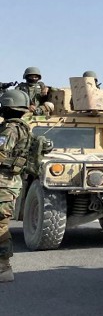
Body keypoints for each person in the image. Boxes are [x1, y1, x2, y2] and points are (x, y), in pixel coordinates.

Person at [0, 90, 34, 283]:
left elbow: (1, 154)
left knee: (0, 226)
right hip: (9, 182)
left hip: (3, 183)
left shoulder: (10, 129)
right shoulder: (24, 128)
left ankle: (3, 268)